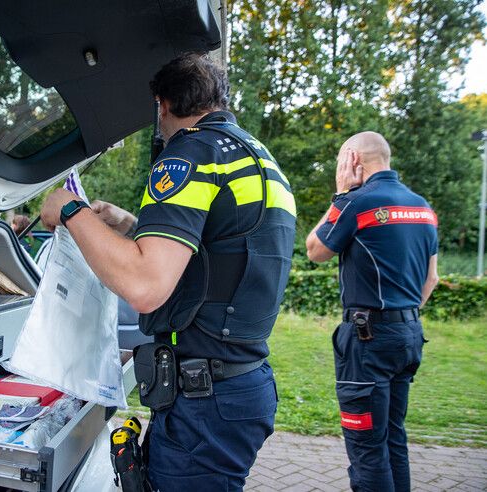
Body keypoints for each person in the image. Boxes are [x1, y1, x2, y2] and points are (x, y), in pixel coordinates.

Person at [40, 53, 296, 490]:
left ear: (162, 104)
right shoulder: (254, 157)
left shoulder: (190, 151)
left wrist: (70, 210)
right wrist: (130, 225)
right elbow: (218, 255)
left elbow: (145, 286)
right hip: (239, 383)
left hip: (205, 400)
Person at [305, 132, 439, 492]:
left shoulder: (358, 202)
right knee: (394, 438)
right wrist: (400, 316)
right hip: (409, 335)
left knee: (367, 447)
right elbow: (432, 279)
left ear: (352, 160)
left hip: (368, 341)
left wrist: (341, 194)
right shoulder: (422, 207)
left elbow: (315, 248)